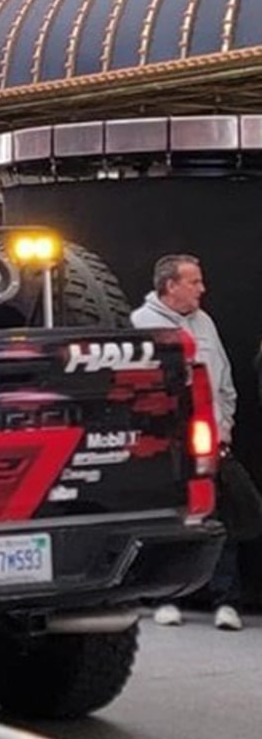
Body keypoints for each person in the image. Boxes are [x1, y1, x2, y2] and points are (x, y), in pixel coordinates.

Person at [131, 253, 242, 630]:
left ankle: (226, 600)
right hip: (166, 446)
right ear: (170, 286)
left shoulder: (205, 323)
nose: (202, 289)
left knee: (220, 517)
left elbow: (224, 381)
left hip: (210, 442)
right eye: (194, 282)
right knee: (171, 520)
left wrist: (223, 424)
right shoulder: (140, 325)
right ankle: (165, 597)